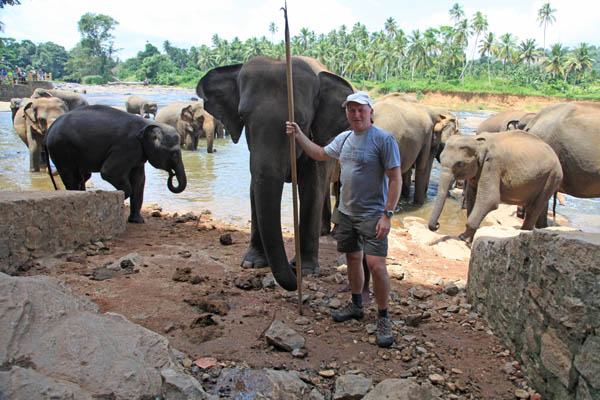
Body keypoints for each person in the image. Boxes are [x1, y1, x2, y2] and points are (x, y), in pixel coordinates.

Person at [286, 91, 402, 347]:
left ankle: (383, 317)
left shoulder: (384, 140)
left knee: (377, 266)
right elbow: (318, 153)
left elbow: (396, 178)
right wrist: (298, 134)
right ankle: (356, 304)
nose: (356, 115)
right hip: (347, 213)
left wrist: (387, 214)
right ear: (347, 114)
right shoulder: (345, 138)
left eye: (361, 110)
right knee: (352, 258)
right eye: (351, 110)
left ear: (370, 111)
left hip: (373, 215)